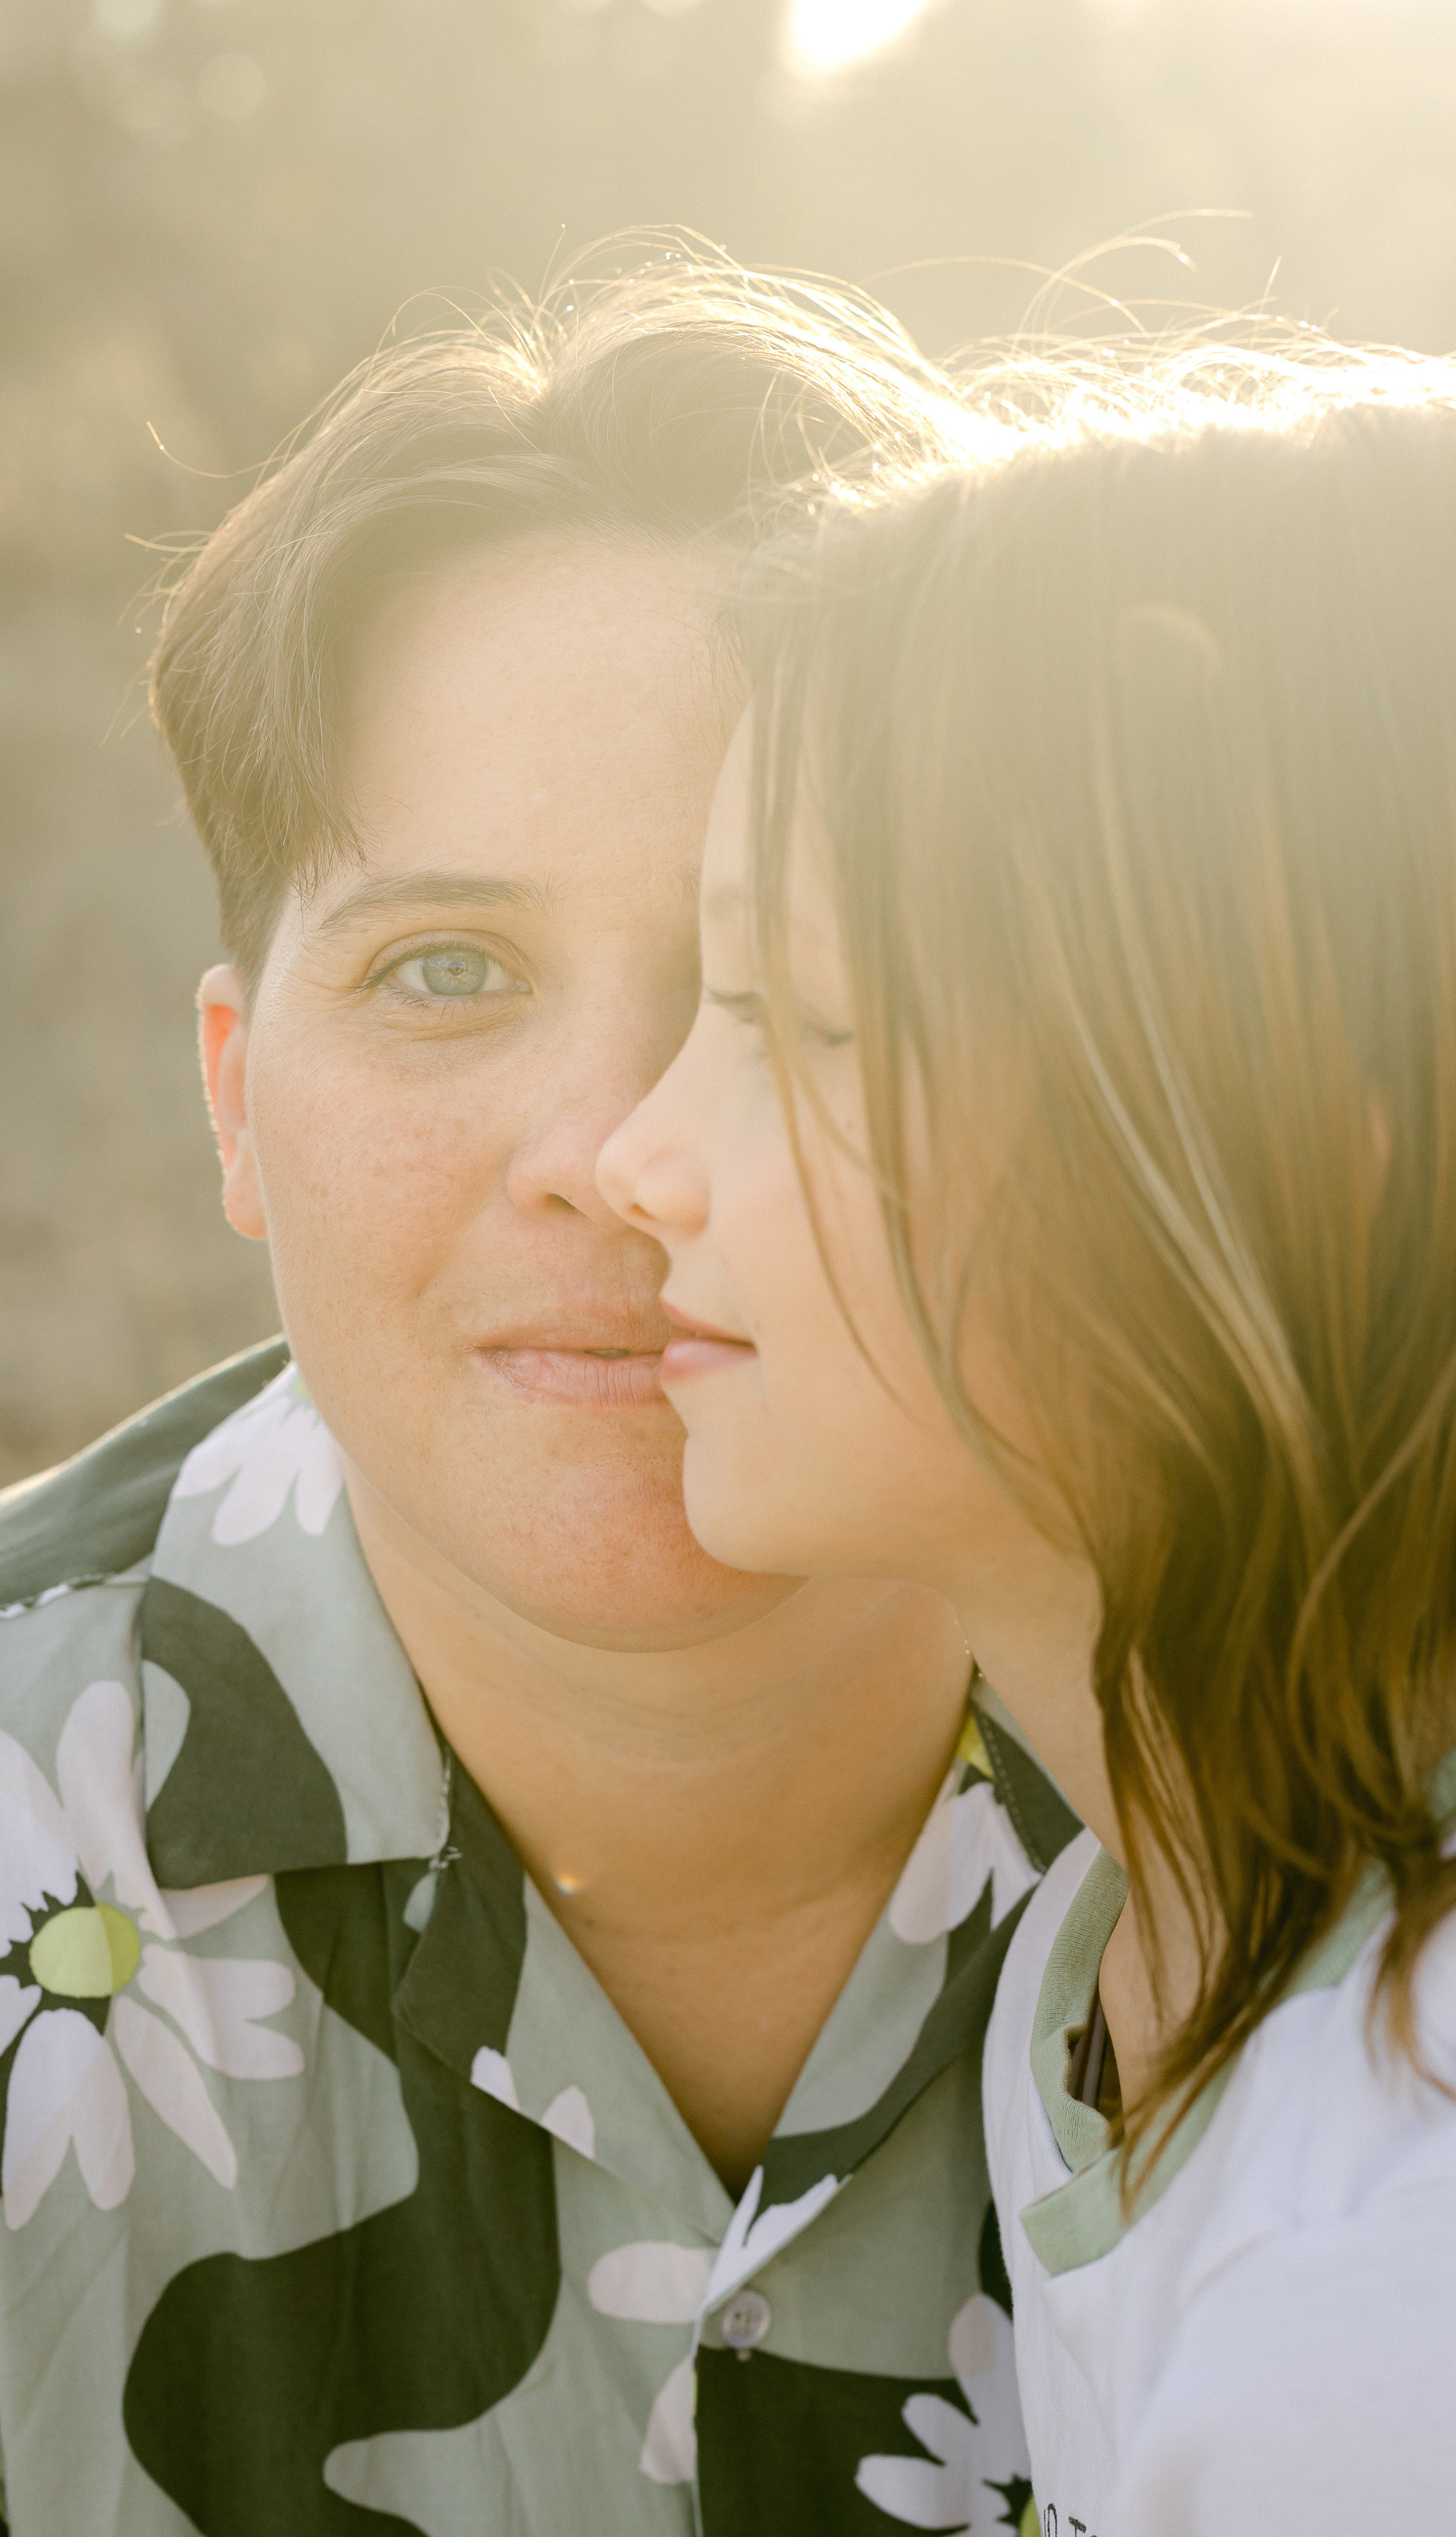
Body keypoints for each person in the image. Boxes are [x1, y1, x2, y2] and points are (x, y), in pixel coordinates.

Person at [0, 246, 1075, 2537]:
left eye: (786, 981)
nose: (611, 1150)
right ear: (236, 1104)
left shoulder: (1342, 1789)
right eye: (444, 971)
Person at [600, 332, 1456, 2536]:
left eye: (792, 1019)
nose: (634, 1158)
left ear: (1276, 1141)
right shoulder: (1115, 1958)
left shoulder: (1381, 2326)